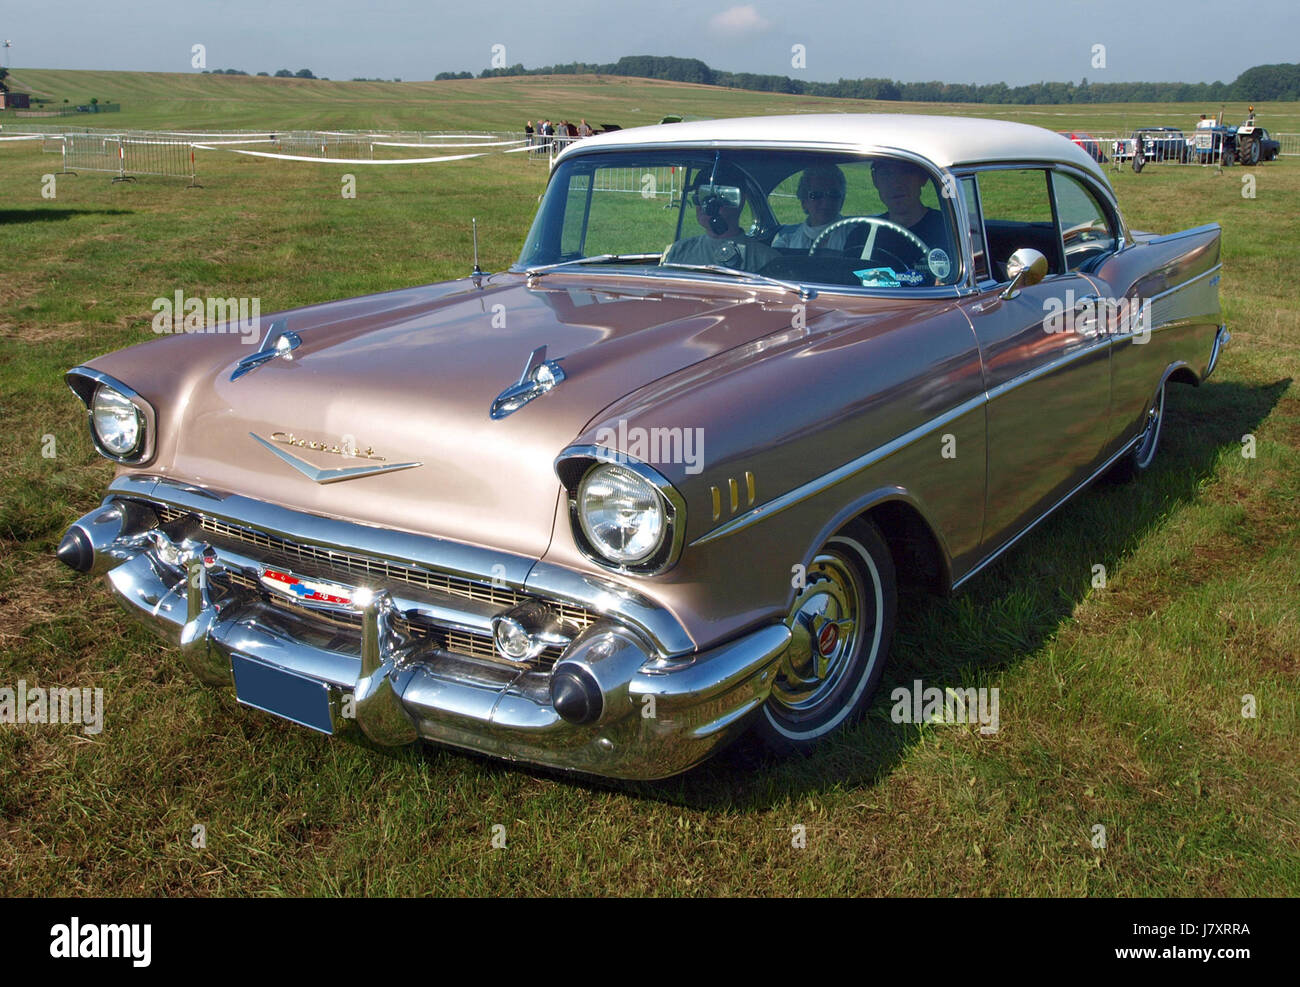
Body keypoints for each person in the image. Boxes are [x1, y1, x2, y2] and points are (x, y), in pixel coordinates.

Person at [661, 166, 779, 274]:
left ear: (738, 201)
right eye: (700, 196)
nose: (705, 205)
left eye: (715, 197)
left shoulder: (767, 260)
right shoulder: (677, 251)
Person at [856, 158, 956, 279]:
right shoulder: (862, 234)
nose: (896, 184)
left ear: (922, 178)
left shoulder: (948, 230)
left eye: (905, 172)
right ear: (875, 180)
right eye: (886, 174)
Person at [771, 163, 850, 251]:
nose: (826, 202)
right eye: (816, 195)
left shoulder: (859, 238)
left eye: (833, 194)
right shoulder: (786, 243)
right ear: (804, 202)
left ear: (842, 200)